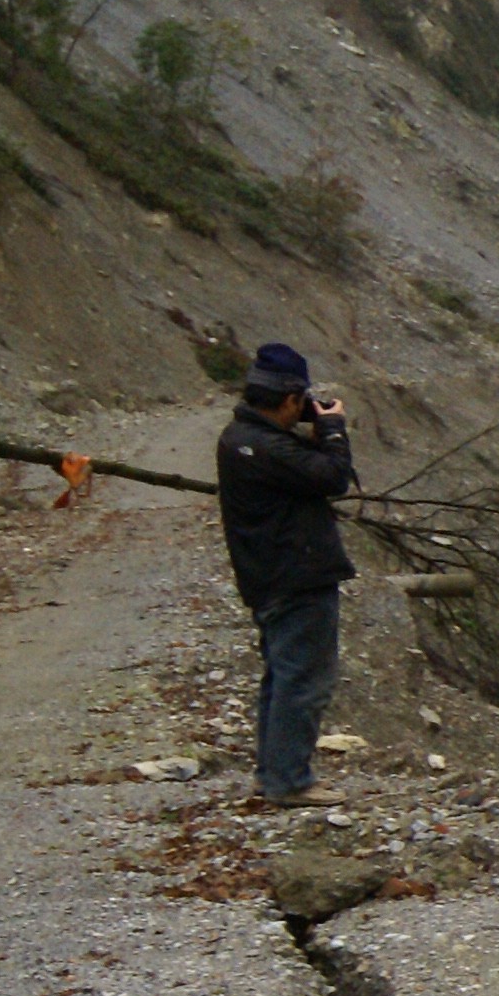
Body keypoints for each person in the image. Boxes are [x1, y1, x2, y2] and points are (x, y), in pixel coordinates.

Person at [215, 343, 356, 808]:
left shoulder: (238, 438)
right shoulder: (269, 447)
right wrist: (333, 429)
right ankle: (289, 780)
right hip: (297, 575)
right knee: (303, 681)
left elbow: (302, 473)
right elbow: (333, 477)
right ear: (292, 400)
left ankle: (271, 772)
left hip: (267, 575)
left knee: (280, 677)